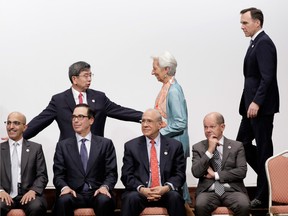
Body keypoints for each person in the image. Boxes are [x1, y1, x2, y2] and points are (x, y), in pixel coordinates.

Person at [23, 61, 143, 141]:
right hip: (69, 154)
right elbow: (40, 120)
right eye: (86, 76)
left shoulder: (99, 97)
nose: (89, 79)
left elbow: (120, 111)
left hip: (95, 154)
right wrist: (19, 136)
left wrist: (146, 117)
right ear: (74, 79)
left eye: (91, 75)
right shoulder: (59, 100)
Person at [237, 7, 280, 208]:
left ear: (257, 23)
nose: (242, 26)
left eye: (245, 22)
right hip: (250, 106)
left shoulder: (264, 43)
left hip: (259, 107)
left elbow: (267, 77)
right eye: (241, 22)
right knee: (241, 146)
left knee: (264, 150)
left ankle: (264, 194)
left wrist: (257, 102)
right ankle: (270, 179)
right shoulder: (255, 42)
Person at [53, 103, 117, 216]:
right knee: (63, 201)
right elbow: (58, 175)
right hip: (73, 193)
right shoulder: (62, 146)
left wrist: (104, 187)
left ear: (91, 120)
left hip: (97, 192)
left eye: (80, 117)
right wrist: (65, 187)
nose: (76, 120)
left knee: (104, 200)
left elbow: (111, 173)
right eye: (74, 117)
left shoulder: (105, 144)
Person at [121, 108, 187, 216]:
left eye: (149, 121)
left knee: (175, 197)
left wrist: (165, 188)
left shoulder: (175, 146)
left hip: (165, 192)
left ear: (160, 124)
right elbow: (126, 175)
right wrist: (142, 190)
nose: (145, 124)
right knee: (130, 198)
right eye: (143, 121)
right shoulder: (131, 146)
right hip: (141, 193)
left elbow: (179, 174)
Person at [151, 51, 192, 211]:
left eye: (155, 68)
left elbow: (180, 122)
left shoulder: (173, 91)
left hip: (176, 144)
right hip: (171, 143)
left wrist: (158, 134)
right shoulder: (167, 88)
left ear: (166, 69)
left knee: (179, 184)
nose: (153, 72)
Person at [192, 112, 250, 216]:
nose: (208, 130)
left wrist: (216, 175)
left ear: (222, 127)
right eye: (205, 127)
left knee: (243, 205)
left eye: (212, 127)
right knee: (200, 205)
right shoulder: (198, 147)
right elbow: (196, 172)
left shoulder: (237, 146)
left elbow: (242, 171)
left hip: (232, 190)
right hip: (208, 192)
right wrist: (209, 151)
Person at [0, 112, 48, 216]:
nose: (11, 127)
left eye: (16, 123)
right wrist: (0, 191)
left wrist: (33, 191)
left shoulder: (35, 148)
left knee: (37, 206)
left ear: (24, 127)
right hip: (4, 195)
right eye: (8, 123)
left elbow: (42, 175)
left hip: (29, 194)